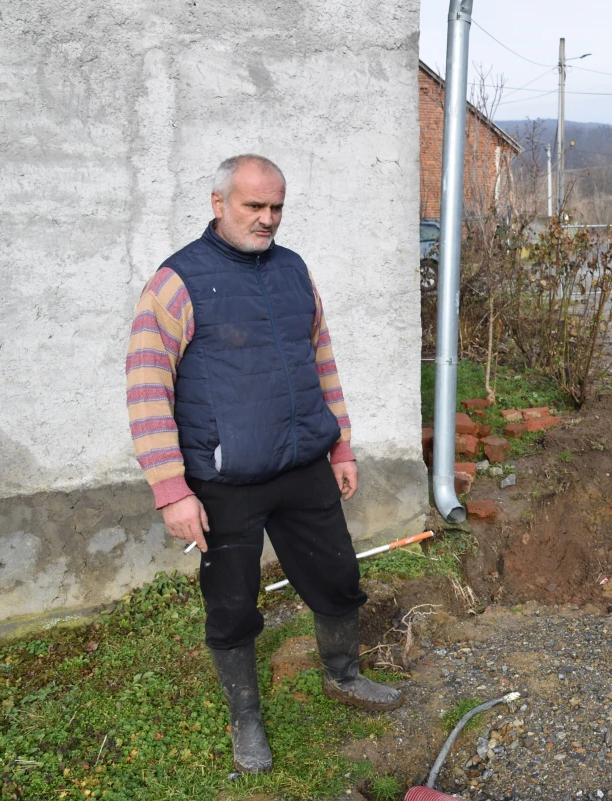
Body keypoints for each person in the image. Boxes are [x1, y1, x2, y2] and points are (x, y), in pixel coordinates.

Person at [125, 154, 402, 775]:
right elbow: (146, 389)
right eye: (254, 206)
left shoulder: (294, 270)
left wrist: (341, 445)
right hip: (224, 483)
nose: (267, 218)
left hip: (303, 465)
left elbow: (321, 361)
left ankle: (343, 674)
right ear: (218, 202)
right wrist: (172, 491)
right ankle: (246, 717)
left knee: (336, 579)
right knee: (231, 606)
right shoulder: (176, 283)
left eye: (276, 207)